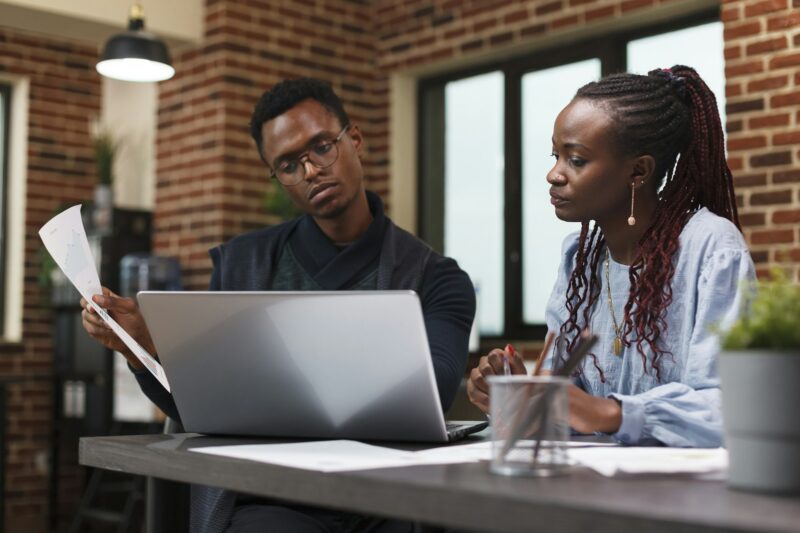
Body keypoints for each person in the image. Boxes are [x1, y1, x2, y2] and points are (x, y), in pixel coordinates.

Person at [81, 78, 476, 533]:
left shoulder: (437, 278)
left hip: (387, 499)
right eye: (289, 165)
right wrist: (142, 349)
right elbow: (201, 409)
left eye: (322, 147)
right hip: (273, 500)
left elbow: (436, 386)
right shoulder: (241, 267)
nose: (311, 171)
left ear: (356, 140)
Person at [467, 65, 755, 448]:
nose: (554, 174)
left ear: (639, 171)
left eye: (577, 159)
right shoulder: (579, 258)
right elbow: (565, 416)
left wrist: (610, 412)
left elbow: (731, 407)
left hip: (685, 497)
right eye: (556, 155)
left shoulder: (711, 248)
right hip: (593, 485)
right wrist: (514, 395)